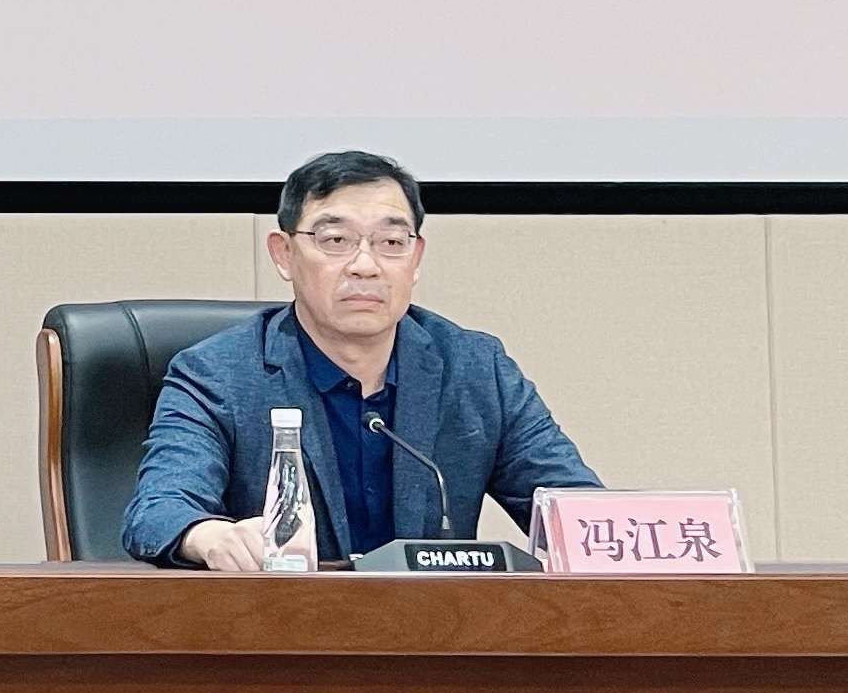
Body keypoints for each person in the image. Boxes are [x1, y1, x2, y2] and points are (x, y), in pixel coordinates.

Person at [123, 147, 599, 571]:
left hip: (435, 632)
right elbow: (159, 510)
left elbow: (580, 516)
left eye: (391, 243)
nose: (366, 266)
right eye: (336, 241)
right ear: (284, 254)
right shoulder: (218, 375)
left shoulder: (475, 368)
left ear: (415, 258)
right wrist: (211, 536)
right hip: (279, 631)